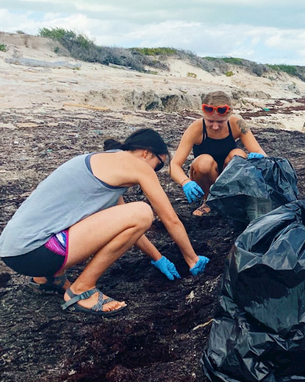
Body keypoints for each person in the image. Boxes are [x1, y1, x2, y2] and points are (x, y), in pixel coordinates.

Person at [0, 128, 210, 317]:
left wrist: (158, 257)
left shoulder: (103, 163)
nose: (155, 172)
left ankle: (49, 280)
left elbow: (125, 224)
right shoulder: (136, 165)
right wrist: (191, 258)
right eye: (159, 165)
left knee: (136, 213)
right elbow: (169, 219)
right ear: (146, 152)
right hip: (36, 252)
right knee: (144, 210)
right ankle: (82, 290)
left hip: (16, 252)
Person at [170, 91, 267, 215]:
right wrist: (185, 182)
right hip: (205, 175)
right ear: (203, 115)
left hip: (229, 174)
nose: (215, 126)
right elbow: (174, 165)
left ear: (229, 115)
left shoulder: (237, 124)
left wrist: (258, 157)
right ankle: (208, 200)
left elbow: (259, 151)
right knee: (204, 161)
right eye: (210, 121)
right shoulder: (196, 128)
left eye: (220, 122)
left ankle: (230, 198)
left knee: (238, 154)